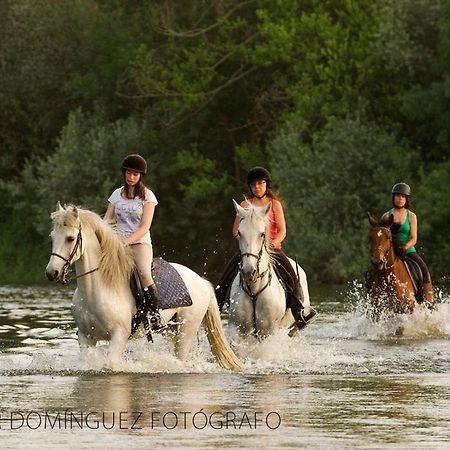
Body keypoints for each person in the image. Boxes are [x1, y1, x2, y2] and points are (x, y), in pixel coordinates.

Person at [216, 166, 317, 329]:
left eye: (260, 183)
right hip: (249, 249)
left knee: (291, 275)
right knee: (224, 277)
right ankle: (217, 305)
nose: (257, 187)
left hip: (271, 248)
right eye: (254, 184)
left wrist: (275, 242)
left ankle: (299, 310)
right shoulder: (244, 205)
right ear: (250, 186)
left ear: (266, 185)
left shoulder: (274, 205)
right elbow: (235, 230)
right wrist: (244, 239)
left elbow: (283, 230)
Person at [104, 154, 164, 334]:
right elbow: (108, 219)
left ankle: (155, 314)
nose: (131, 177)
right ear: (124, 174)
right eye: (129, 173)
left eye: (135, 174)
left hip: (140, 244)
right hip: (118, 244)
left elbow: (145, 226)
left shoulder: (148, 196)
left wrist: (126, 242)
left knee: (144, 273)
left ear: (140, 177)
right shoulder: (116, 194)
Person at [381, 182, 434, 303]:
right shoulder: (385, 216)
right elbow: (382, 237)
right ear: (393, 198)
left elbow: (414, 239)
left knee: (424, 270)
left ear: (406, 199)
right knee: (372, 271)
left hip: (408, 251)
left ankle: (427, 299)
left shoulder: (411, 216)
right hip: (390, 252)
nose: (400, 198)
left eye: (403, 196)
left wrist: (404, 247)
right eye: (398, 196)